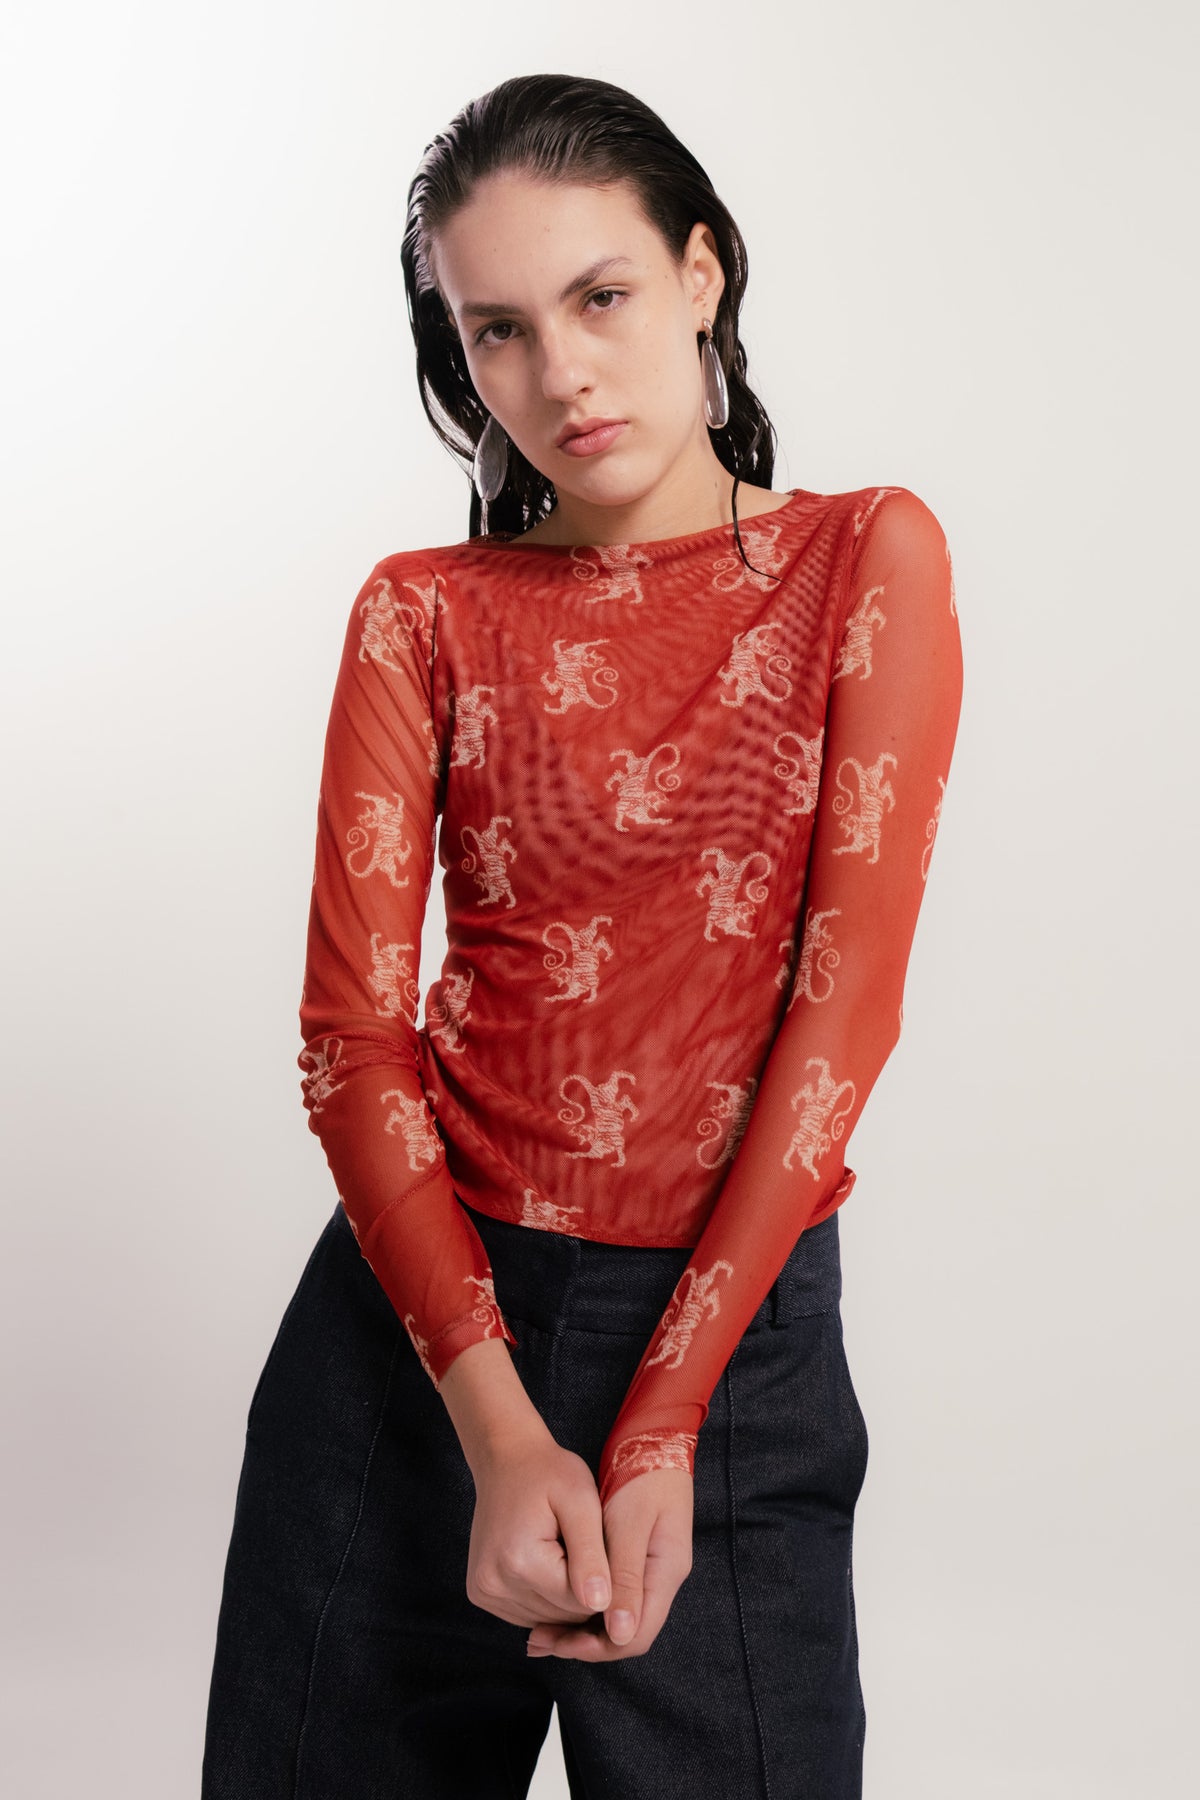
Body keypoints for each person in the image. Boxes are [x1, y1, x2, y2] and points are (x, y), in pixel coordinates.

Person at [201, 71, 963, 1800]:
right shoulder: (424, 613)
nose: (560, 374)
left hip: (732, 1333)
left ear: (702, 274)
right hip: (416, 1339)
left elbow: (842, 1013)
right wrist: (493, 1421)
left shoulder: (864, 560)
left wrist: (669, 1412)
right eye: (498, 330)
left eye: (600, 296)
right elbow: (350, 1039)